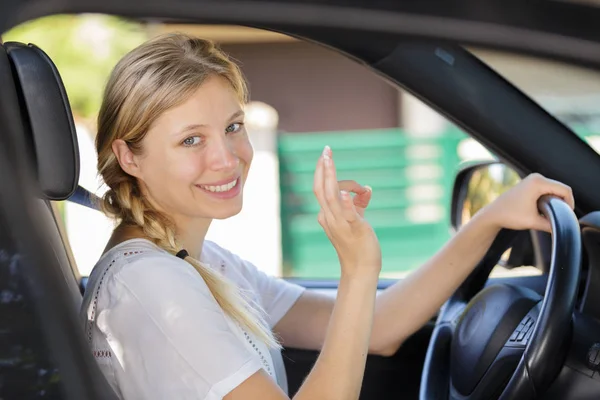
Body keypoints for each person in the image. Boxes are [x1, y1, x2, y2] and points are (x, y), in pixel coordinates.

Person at [80, 33, 575, 400]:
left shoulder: (197, 262)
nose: (228, 159)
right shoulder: (150, 285)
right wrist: (358, 270)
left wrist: (489, 220)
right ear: (129, 157)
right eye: (191, 140)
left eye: (232, 127)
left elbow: (379, 328)